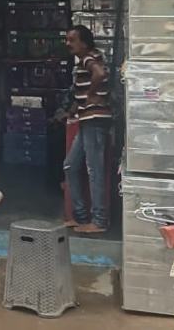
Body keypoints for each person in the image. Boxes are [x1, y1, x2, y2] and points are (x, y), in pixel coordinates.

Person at [62, 25, 111, 234]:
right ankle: (81, 217)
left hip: (94, 120)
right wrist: (73, 109)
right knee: (70, 166)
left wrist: (91, 94)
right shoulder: (87, 59)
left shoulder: (89, 58)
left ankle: (99, 221)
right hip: (86, 120)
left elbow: (99, 73)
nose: (68, 44)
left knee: (94, 170)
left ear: (84, 42)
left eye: (72, 40)